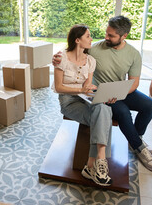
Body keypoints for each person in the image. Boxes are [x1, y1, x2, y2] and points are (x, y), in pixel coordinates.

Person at [53, 16, 152, 172]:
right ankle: (140, 149)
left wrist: (119, 94)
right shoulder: (94, 49)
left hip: (123, 90)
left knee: (149, 105)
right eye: (106, 33)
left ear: (124, 36)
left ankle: (136, 138)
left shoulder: (133, 54)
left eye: (111, 36)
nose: (106, 37)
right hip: (102, 92)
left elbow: (134, 83)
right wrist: (56, 59)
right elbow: (72, 52)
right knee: (123, 112)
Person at [53, 24, 114, 186]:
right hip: (69, 102)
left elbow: (88, 87)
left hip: (86, 99)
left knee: (103, 108)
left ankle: (95, 163)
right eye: (88, 36)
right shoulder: (61, 58)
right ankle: (92, 165)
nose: (92, 39)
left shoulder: (91, 61)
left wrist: (94, 90)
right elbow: (58, 87)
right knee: (104, 118)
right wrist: (81, 89)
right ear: (77, 40)